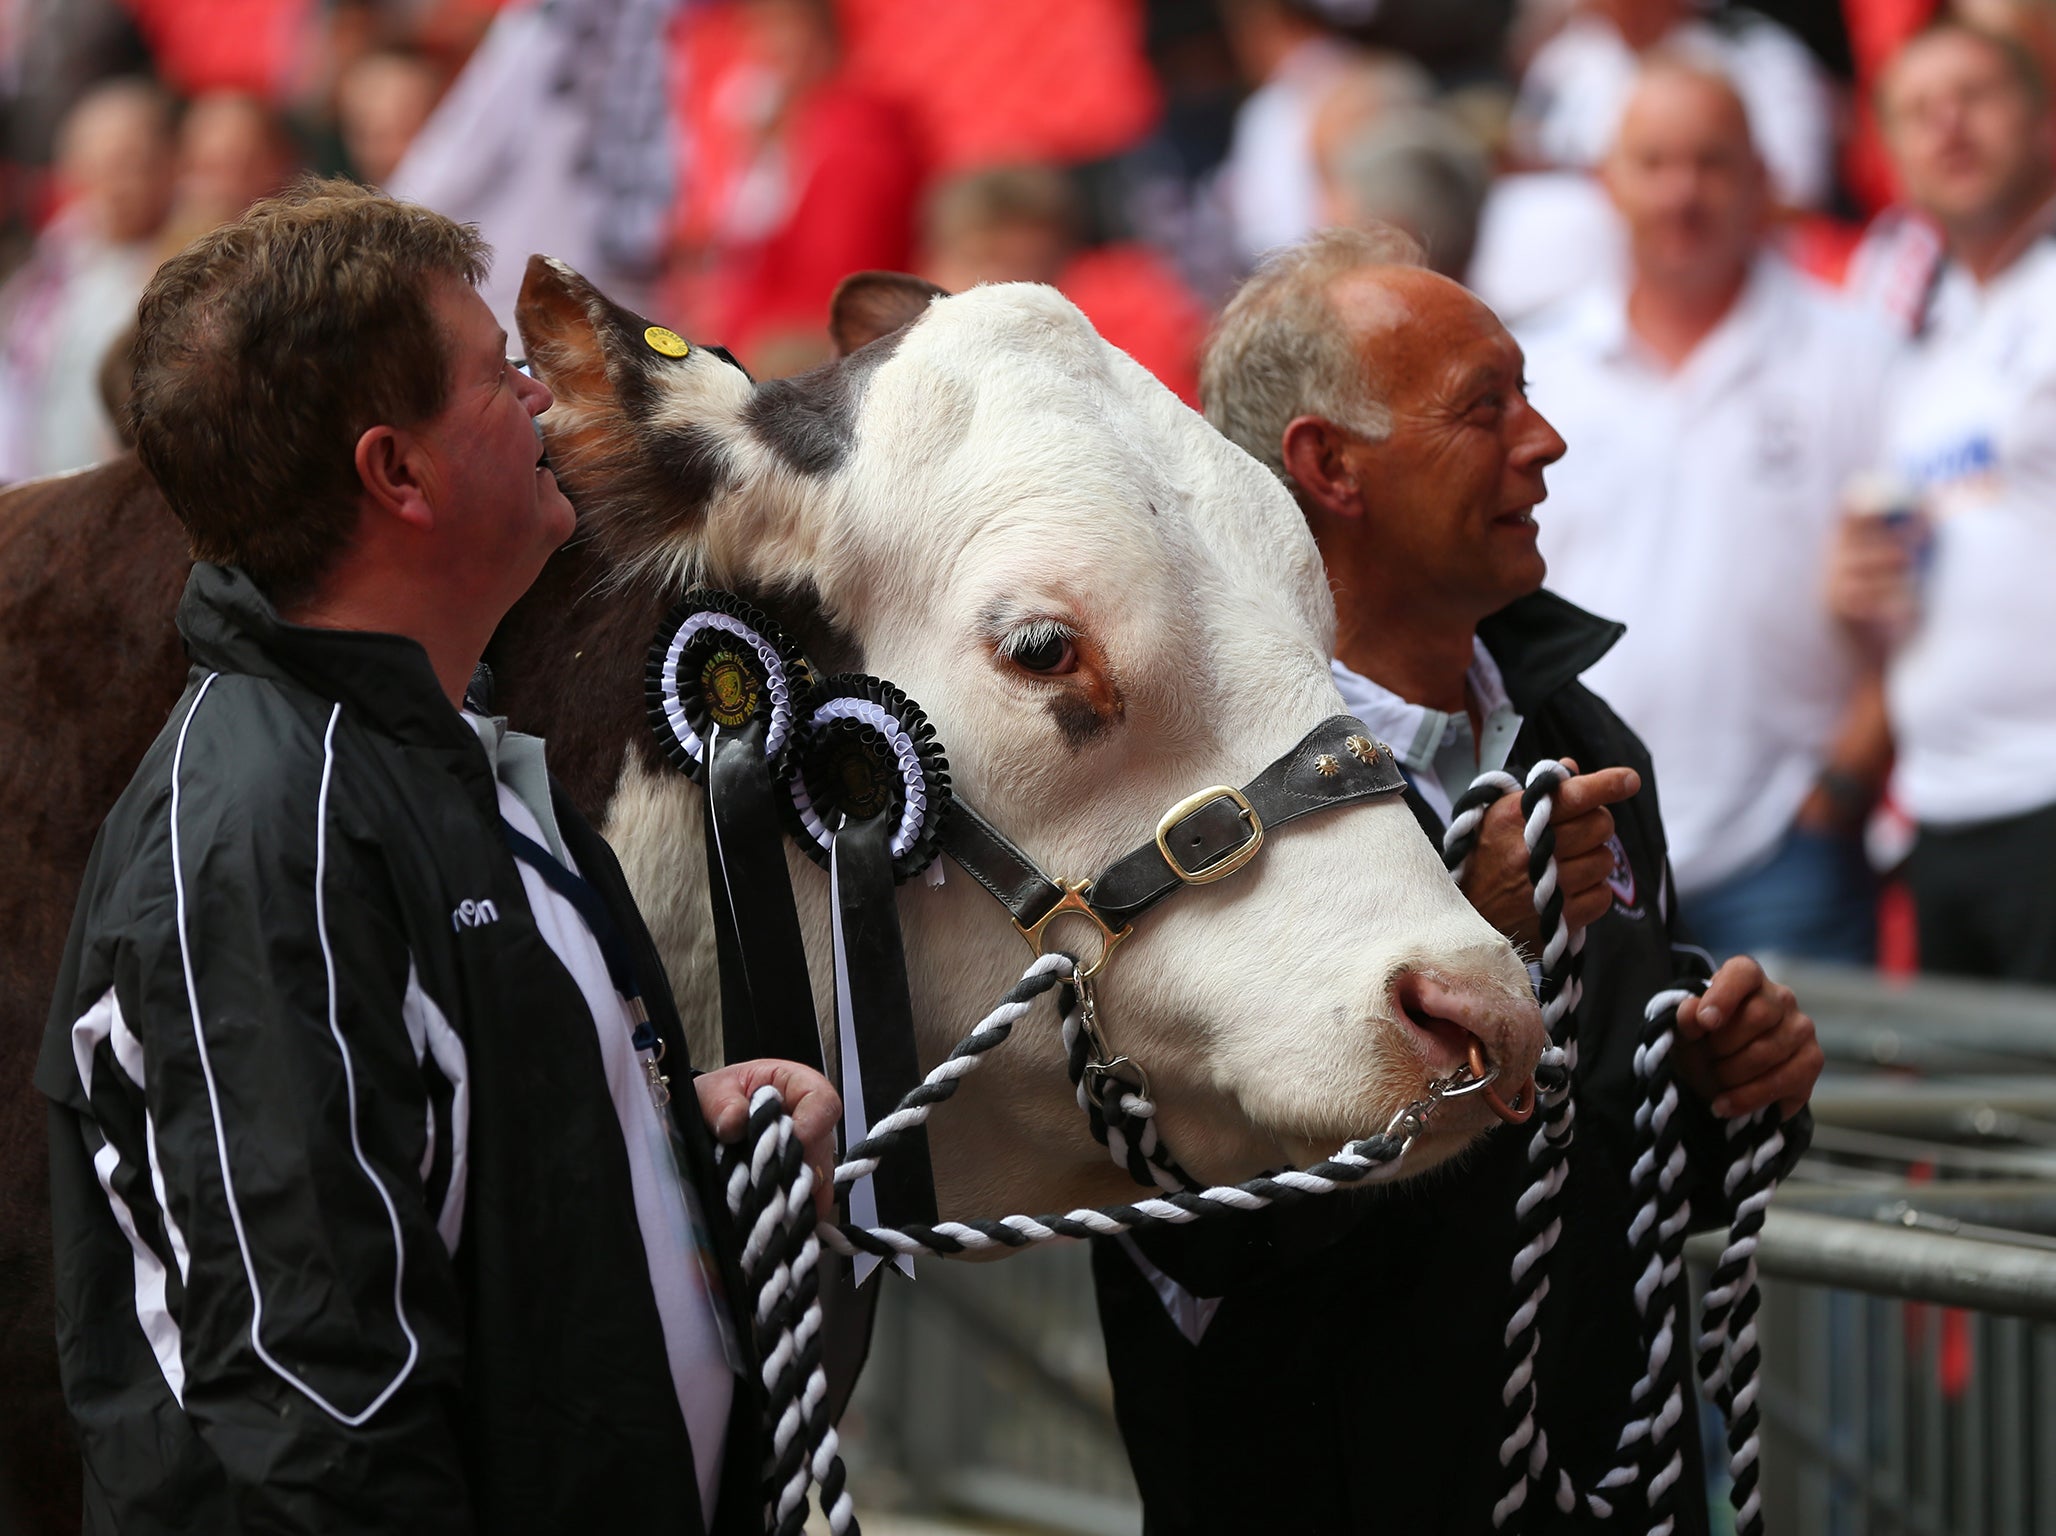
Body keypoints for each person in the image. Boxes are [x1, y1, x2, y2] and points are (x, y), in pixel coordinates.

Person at [34, 178, 839, 1535]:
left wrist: (655, 1125)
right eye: (495, 375)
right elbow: (315, 1400)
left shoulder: (428, 741)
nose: (542, 401)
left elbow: (432, 1155)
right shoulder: (262, 831)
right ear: (395, 473)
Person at [1091, 225, 1823, 1534]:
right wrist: (1456, 927)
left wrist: (1721, 1093)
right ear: (1329, 467)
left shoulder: (1583, 743)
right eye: (1486, 409)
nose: (1543, 443)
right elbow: (1203, 1231)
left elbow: (1620, 1171)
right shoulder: (1181, 800)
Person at [1518, 59, 1898, 963]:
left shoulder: (1856, 354)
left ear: (1766, 182)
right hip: (1588, 848)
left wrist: (1839, 788)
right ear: (1607, 182)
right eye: (1654, 162)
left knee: (1812, 1109)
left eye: (1711, 163)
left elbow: (1927, 585)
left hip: (1788, 847)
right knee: (1606, 1108)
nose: (1681, 191)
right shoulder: (1538, 366)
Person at [1828, 19, 2056, 983]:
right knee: (1983, 1131)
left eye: (1976, 96)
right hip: (1947, 812)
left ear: (2044, 121)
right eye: (1917, 111)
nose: (1948, 125)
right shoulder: (1922, 351)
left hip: (2046, 793)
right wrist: (1854, 586)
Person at [0, 78, 173, 481]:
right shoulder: (55, 256)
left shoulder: (188, 257)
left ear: (170, 163)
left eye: (133, 163)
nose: (116, 184)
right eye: (98, 167)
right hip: (36, 483)